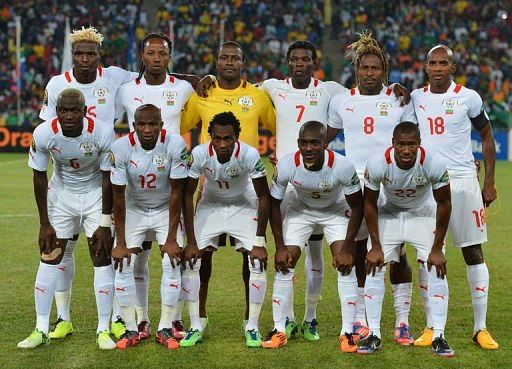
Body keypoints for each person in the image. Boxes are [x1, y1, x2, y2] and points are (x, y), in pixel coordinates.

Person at [327, 32, 416, 344]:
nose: (369, 73)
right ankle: (364, 316)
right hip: (355, 187)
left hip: (391, 185)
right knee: (361, 250)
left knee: (397, 251)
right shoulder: (342, 102)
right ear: (356, 70)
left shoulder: (399, 99)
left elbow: (414, 140)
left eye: (375, 68)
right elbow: (322, 141)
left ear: (384, 71)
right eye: (364, 68)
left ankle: (402, 320)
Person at [180, 41, 275, 331]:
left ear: (243, 63)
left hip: (246, 183)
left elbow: (278, 124)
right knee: (200, 256)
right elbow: (179, 124)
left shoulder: (256, 95)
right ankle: (200, 318)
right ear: (216, 62)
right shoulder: (202, 94)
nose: (229, 62)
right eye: (224, 58)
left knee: (251, 260)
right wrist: (190, 81)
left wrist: (279, 152)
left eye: (235, 58)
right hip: (209, 184)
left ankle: (251, 319)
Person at [411, 45, 498, 350]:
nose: (436, 68)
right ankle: (433, 327)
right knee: (427, 255)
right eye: (432, 63)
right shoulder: (415, 98)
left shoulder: (469, 97)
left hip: (462, 183)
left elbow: (487, 136)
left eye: (442, 63)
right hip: (427, 185)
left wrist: (488, 182)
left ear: (452, 67)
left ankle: (480, 328)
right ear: (426, 67)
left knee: (473, 252)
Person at [19, 88, 115, 349]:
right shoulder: (44, 133)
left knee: (102, 256)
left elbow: (108, 178)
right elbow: (39, 175)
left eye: (75, 110)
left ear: (84, 111)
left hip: (96, 194)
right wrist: (44, 223)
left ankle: (103, 329)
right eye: (64, 110)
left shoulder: (103, 131)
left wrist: (106, 222)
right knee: (50, 256)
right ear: (57, 111)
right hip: (61, 195)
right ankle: (41, 328)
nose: (69, 115)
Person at [114, 32, 195, 341]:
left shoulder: (184, 88)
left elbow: (201, 84)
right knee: (132, 261)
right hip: (135, 185)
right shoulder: (125, 91)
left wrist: (203, 78)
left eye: (163, 53)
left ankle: (170, 322)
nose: (157, 58)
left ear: (169, 57)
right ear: (143, 56)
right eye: (152, 53)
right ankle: (138, 321)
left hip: (169, 184)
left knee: (174, 257)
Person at [263, 121, 363, 352]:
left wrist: (348, 247)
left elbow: (357, 207)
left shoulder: (342, 165)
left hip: (335, 212)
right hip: (301, 211)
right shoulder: (288, 164)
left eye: (315, 143)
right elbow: (274, 205)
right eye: (304, 143)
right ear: (298, 144)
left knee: (346, 265)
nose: (309, 148)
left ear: (325, 144)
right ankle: (279, 329)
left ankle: (347, 332)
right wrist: (279, 246)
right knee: (284, 263)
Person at [361, 121, 454, 357]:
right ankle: (374, 334)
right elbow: (369, 203)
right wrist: (376, 246)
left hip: (422, 213)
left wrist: (437, 248)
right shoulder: (377, 163)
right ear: (393, 144)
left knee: (435, 266)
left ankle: (439, 335)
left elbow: (444, 203)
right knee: (374, 265)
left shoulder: (434, 163)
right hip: (390, 212)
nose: (406, 150)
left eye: (411, 144)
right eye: (401, 144)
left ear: (419, 144)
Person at [180, 111, 270, 347]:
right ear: (209, 136)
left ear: (236, 137)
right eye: (217, 138)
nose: (222, 144)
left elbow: (264, 196)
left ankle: (251, 324)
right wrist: (190, 240)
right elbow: (187, 193)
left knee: (256, 262)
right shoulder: (199, 153)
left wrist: (260, 243)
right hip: (211, 203)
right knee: (192, 259)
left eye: (227, 139)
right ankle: (197, 322)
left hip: (243, 202)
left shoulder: (249, 154)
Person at [110, 104, 188, 350]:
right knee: (123, 262)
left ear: (161, 125)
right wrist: (121, 242)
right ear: (133, 126)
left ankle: (165, 327)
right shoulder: (121, 147)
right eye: (141, 124)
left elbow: (178, 192)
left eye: (152, 124)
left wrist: (172, 237)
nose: (147, 129)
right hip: (134, 209)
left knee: (172, 260)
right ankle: (132, 328)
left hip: (166, 209)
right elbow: (118, 196)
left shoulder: (175, 145)